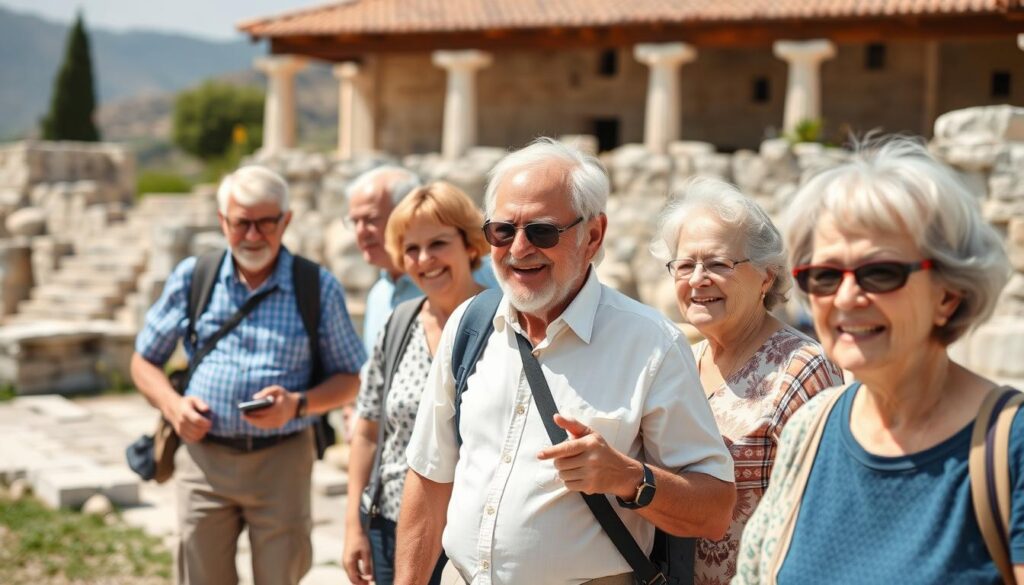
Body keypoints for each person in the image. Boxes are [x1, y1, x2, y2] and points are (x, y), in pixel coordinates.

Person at [395, 138, 736, 585]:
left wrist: (628, 478)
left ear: (593, 235)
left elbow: (714, 510)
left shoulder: (652, 345)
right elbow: (430, 478)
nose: (518, 250)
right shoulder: (469, 324)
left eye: (541, 231)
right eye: (502, 231)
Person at [733, 138, 1018, 584]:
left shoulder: (1011, 447)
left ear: (949, 294)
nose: (846, 297)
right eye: (825, 276)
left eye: (880, 272)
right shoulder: (811, 430)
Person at [130, 165, 366, 585]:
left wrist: (298, 405)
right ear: (223, 222)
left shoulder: (317, 287)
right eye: (242, 223)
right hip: (204, 461)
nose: (254, 235)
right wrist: (173, 406)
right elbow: (143, 361)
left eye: (266, 222)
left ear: (286, 221)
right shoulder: (193, 277)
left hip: (283, 461)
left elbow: (352, 376)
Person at [651, 178, 844, 584]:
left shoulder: (803, 369)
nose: (698, 279)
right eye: (685, 265)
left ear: (766, 277)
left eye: (718, 264)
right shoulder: (682, 360)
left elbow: (828, 516)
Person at [343, 182, 491, 585]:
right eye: (411, 249)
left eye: (438, 243)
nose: (424, 260)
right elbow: (369, 432)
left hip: (475, 537)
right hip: (391, 528)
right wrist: (354, 527)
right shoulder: (398, 323)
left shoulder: (503, 323)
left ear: (470, 245)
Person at [346, 166, 498, 354]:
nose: (360, 232)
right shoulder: (378, 295)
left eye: (371, 219)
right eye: (355, 222)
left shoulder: (491, 283)